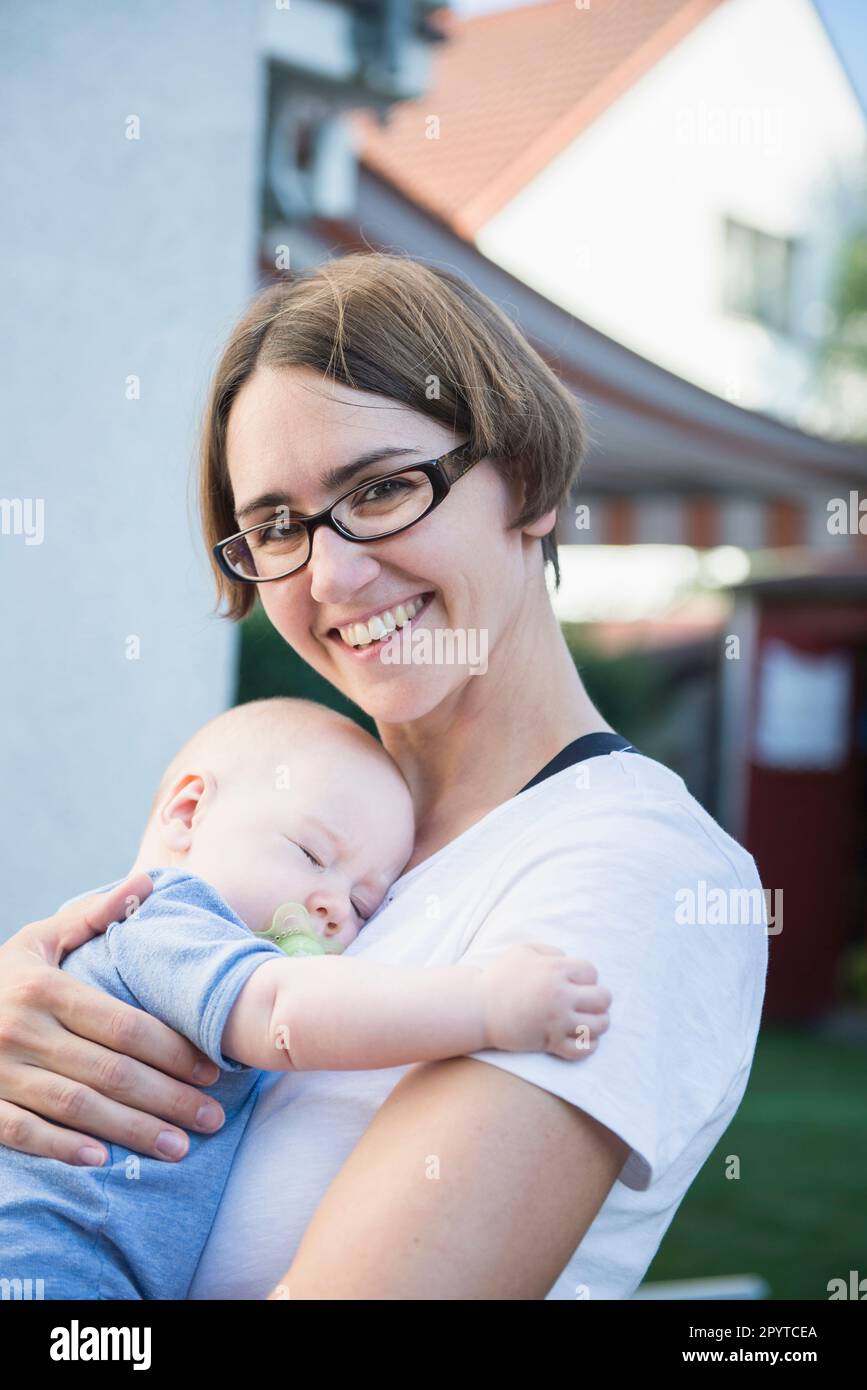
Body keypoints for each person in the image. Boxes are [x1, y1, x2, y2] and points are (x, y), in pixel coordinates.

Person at [0, 252, 768, 1300]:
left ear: (530, 483)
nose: (330, 575)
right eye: (275, 525)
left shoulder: (631, 869)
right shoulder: (304, 827)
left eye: (381, 489)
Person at [0, 696, 607, 1299]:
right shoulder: (169, 918)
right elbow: (286, 1011)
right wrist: (488, 1005)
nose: (333, 908)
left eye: (364, 904)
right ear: (188, 812)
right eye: (313, 855)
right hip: (55, 1263)